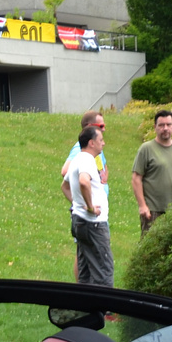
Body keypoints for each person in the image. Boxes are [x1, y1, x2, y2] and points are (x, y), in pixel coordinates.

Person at [130, 108, 172, 235]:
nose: (165, 128)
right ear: (155, 127)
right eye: (161, 125)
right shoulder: (146, 149)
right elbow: (136, 178)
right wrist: (142, 206)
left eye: (168, 125)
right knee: (151, 250)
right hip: (153, 211)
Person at [60, 110, 106, 278]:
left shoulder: (95, 150)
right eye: (100, 126)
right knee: (90, 260)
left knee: (87, 258)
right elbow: (66, 171)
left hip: (93, 212)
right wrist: (83, 204)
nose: (104, 129)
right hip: (89, 216)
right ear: (88, 128)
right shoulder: (82, 150)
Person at [66, 126, 112, 286]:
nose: (103, 143)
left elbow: (64, 186)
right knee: (104, 271)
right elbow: (84, 181)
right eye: (101, 140)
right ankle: (104, 309)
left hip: (79, 221)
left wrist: (78, 204)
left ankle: (83, 308)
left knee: (84, 271)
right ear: (92, 143)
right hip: (94, 224)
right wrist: (90, 207)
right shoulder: (87, 159)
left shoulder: (76, 159)